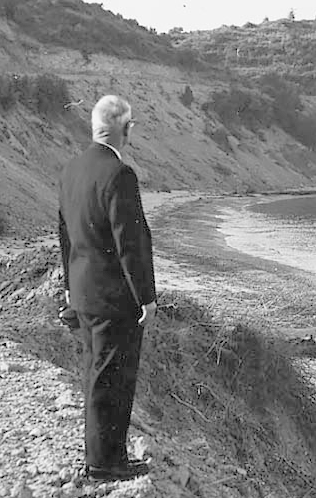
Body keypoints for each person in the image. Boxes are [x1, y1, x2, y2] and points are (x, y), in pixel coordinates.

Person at [58, 94, 157, 481]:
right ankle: (104, 464)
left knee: (98, 375)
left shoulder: (71, 169)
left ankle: (106, 457)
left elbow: (65, 235)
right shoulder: (120, 175)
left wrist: (68, 288)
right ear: (126, 129)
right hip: (114, 298)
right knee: (112, 379)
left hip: (84, 292)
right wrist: (146, 297)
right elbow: (129, 243)